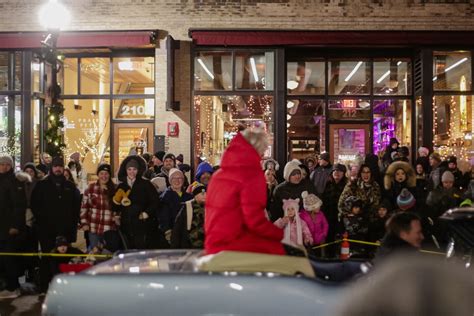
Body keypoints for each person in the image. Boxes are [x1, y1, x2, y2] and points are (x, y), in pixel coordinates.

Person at [205, 128, 285, 255]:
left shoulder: (219, 174)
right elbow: (255, 221)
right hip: (235, 243)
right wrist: (280, 234)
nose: (263, 155)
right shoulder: (251, 174)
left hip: (214, 243)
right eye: (263, 150)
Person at [31, 156, 81, 292]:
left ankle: (63, 287)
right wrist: (42, 223)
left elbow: (76, 209)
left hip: (65, 231)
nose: (58, 169)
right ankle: (44, 287)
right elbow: (35, 205)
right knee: (47, 258)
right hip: (46, 231)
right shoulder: (42, 185)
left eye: (60, 166)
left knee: (63, 259)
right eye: (55, 166)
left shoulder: (70, 186)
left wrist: (72, 230)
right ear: (51, 168)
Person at [112, 155, 160, 249]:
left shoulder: (146, 184)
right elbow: (115, 207)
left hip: (142, 224)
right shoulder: (121, 186)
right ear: (125, 170)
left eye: (134, 169)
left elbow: (155, 201)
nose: (131, 172)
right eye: (129, 169)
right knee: (127, 249)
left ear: (138, 170)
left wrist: (147, 213)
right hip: (125, 224)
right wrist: (116, 201)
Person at [0, 155, 28, 299]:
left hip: (10, 228)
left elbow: (19, 206)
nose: (4, 167)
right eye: (2, 164)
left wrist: (15, 225)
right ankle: (6, 285)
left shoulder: (15, 181)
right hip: (1, 227)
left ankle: (13, 287)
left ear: (11, 166)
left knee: (9, 258)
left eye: (7, 164)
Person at [80, 164, 117, 250]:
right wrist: (84, 223)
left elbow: (118, 208)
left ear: (109, 175)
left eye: (106, 173)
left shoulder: (115, 189)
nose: (104, 176)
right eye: (101, 173)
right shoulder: (90, 188)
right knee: (95, 255)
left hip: (109, 228)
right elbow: (84, 208)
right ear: (98, 174)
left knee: (108, 255)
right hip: (93, 228)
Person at [426, 170, 462, 245]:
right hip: (440, 223)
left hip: (453, 223)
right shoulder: (435, 193)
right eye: (446, 182)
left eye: (450, 182)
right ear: (442, 182)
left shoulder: (456, 192)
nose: (448, 184)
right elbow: (429, 208)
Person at [158, 168, 193, 244]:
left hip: (186, 234)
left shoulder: (189, 197)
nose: (177, 181)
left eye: (180, 178)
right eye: (174, 178)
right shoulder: (164, 197)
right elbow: (163, 217)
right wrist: (167, 231)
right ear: (170, 181)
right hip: (171, 234)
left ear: (183, 180)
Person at [322, 163, 348, 257]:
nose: (337, 173)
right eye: (335, 170)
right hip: (328, 217)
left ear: (343, 173)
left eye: (339, 171)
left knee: (340, 240)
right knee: (329, 240)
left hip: (341, 218)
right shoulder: (327, 185)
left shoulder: (347, 186)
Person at [171, 184, 206, 249]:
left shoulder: (210, 207)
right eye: (202, 194)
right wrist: (175, 246)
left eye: (206, 193)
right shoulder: (187, 206)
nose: (205, 196)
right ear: (195, 196)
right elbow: (177, 227)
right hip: (189, 244)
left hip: (205, 244)